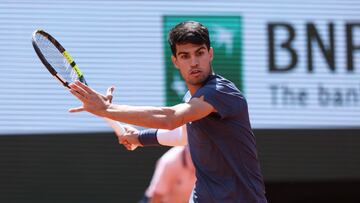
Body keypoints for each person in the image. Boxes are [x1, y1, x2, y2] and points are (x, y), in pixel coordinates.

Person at [68, 21, 268, 202]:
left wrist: (107, 109)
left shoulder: (220, 93)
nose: (194, 62)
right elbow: (183, 136)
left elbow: (172, 118)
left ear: (210, 54)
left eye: (199, 53)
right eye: (185, 56)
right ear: (175, 61)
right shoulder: (190, 99)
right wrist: (139, 137)